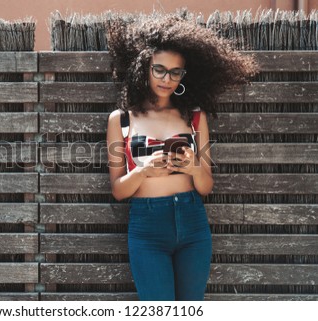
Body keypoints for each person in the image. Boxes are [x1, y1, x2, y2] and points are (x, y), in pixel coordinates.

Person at [106, 15, 257, 301]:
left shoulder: (194, 116)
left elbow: (205, 186)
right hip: (147, 226)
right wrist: (143, 171)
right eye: (159, 70)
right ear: (144, 68)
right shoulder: (122, 120)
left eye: (176, 72)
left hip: (192, 222)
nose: (167, 79)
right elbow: (118, 190)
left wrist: (194, 166)